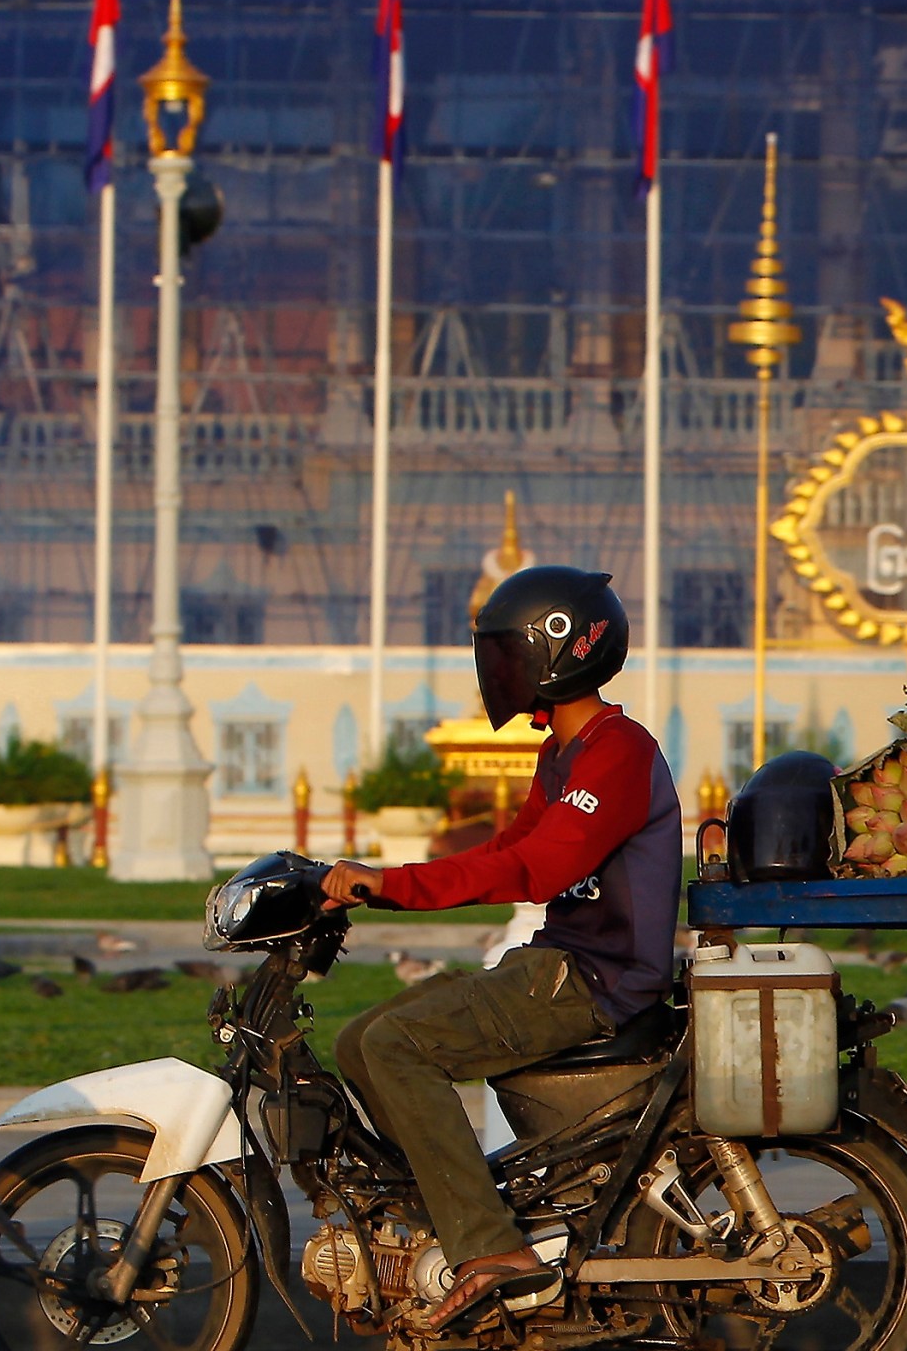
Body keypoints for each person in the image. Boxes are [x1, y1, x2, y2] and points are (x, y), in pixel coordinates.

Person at [321, 566, 681, 1333]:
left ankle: (491, 1251)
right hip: (552, 964)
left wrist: (389, 884)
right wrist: (375, 883)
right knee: (356, 1041)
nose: (498, 675)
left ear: (561, 654)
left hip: (593, 979)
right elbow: (510, 846)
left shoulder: (617, 750)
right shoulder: (564, 754)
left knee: (395, 1044)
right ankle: (442, 1217)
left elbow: (535, 867)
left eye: (508, 657)